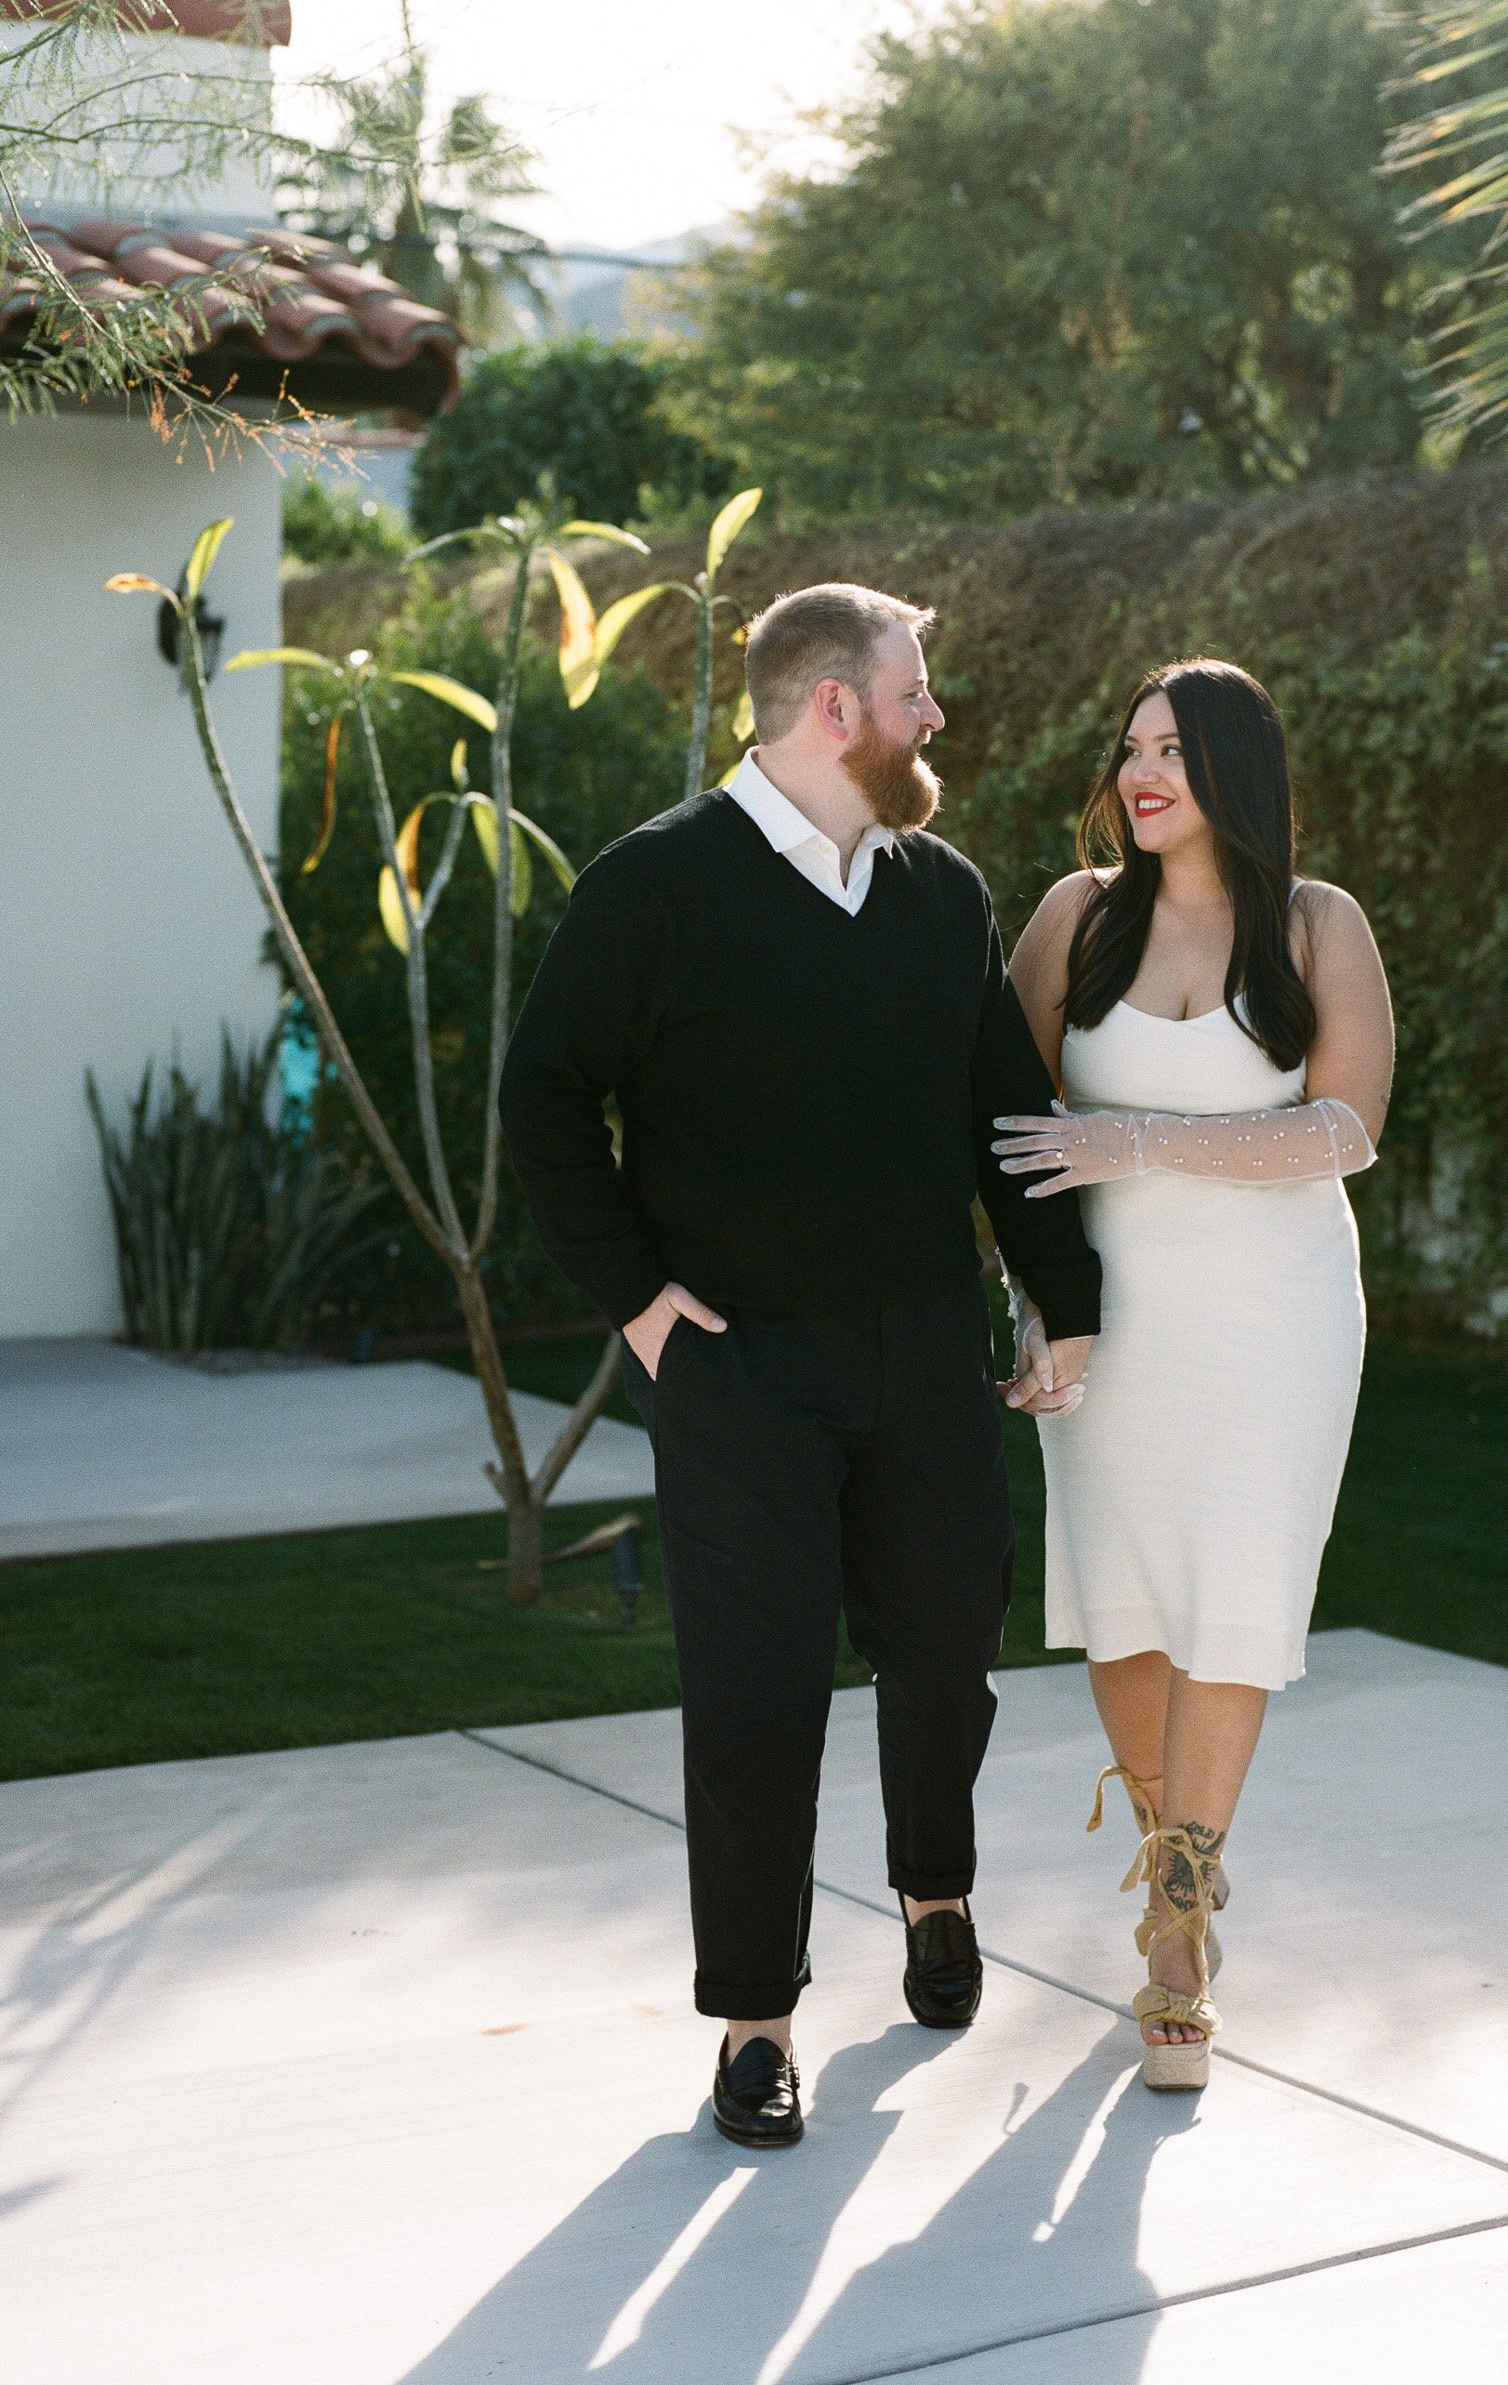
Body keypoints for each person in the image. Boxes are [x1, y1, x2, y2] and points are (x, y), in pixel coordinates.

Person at [498, 583, 1100, 2149]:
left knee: (950, 1649)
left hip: (921, 1351)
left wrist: (1061, 1295)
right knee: (759, 1698)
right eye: (916, 693)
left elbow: (1001, 1109)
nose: (936, 719)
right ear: (833, 708)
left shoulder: (942, 890)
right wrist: (636, 1299)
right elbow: (548, 1098)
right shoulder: (658, 887)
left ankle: (936, 1897)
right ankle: (755, 2027)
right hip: (739, 1367)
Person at [995, 658, 1393, 2092]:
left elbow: (1346, 1128)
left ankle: (1176, 1930)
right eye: (1129, 747)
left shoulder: (1316, 924)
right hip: (1110, 1326)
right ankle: (1178, 1869)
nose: (1139, 772)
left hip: (1273, 1325)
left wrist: (1139, 1139)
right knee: (1123, 1602)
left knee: (1234, 1593)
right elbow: (1008, 1129)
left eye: (1171, 749)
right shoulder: (1073, 919)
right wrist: (1038, 1310)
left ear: (1236, 769)